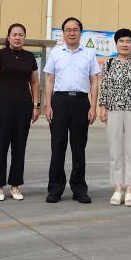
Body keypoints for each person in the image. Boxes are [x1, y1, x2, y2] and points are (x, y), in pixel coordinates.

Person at [44, 17, 101, 204]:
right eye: (68, 30)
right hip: (59, 102)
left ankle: (79, 189)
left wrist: (93, 106)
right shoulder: (55, 53)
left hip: (81, 102)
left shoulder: (89, 53)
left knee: (79, 148)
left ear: (80, 32)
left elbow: (94, 81)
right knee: (57, 147)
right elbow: (50, 80)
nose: (71, 33)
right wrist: (48, 105)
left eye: (75, 29)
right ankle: (55, 189)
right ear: (63, 33)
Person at [0, 23, 41, 201]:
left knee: (19, 147)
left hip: (24, 107)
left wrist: (36, 106)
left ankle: (15, 185)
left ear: (25, 37)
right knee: (0, 145)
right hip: (3, 106)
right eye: (14, 34)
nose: (17, 37)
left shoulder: (29, 57)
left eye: (21, 34)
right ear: (9, 36)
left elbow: (35, 82)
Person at [98, 28, 131, 206]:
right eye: (121, 41)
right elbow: (104, 87)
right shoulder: (109, 63)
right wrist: (102, 108)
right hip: (113, 110)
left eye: (128, 41)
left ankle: (130, 188)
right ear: (116, 43)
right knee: (115, 152)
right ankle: (117, 188)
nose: (124, 44)